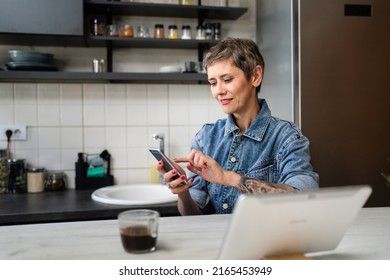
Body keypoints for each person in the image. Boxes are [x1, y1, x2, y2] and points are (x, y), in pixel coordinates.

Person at [157, 37, 319, 215]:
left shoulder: (287, 137)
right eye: (213, 83)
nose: (218, 91)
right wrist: (183, 192)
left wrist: (227, 177)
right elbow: (194, 217)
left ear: (255, 76)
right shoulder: (206, 137)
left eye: (227, 79)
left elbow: (304, 199)